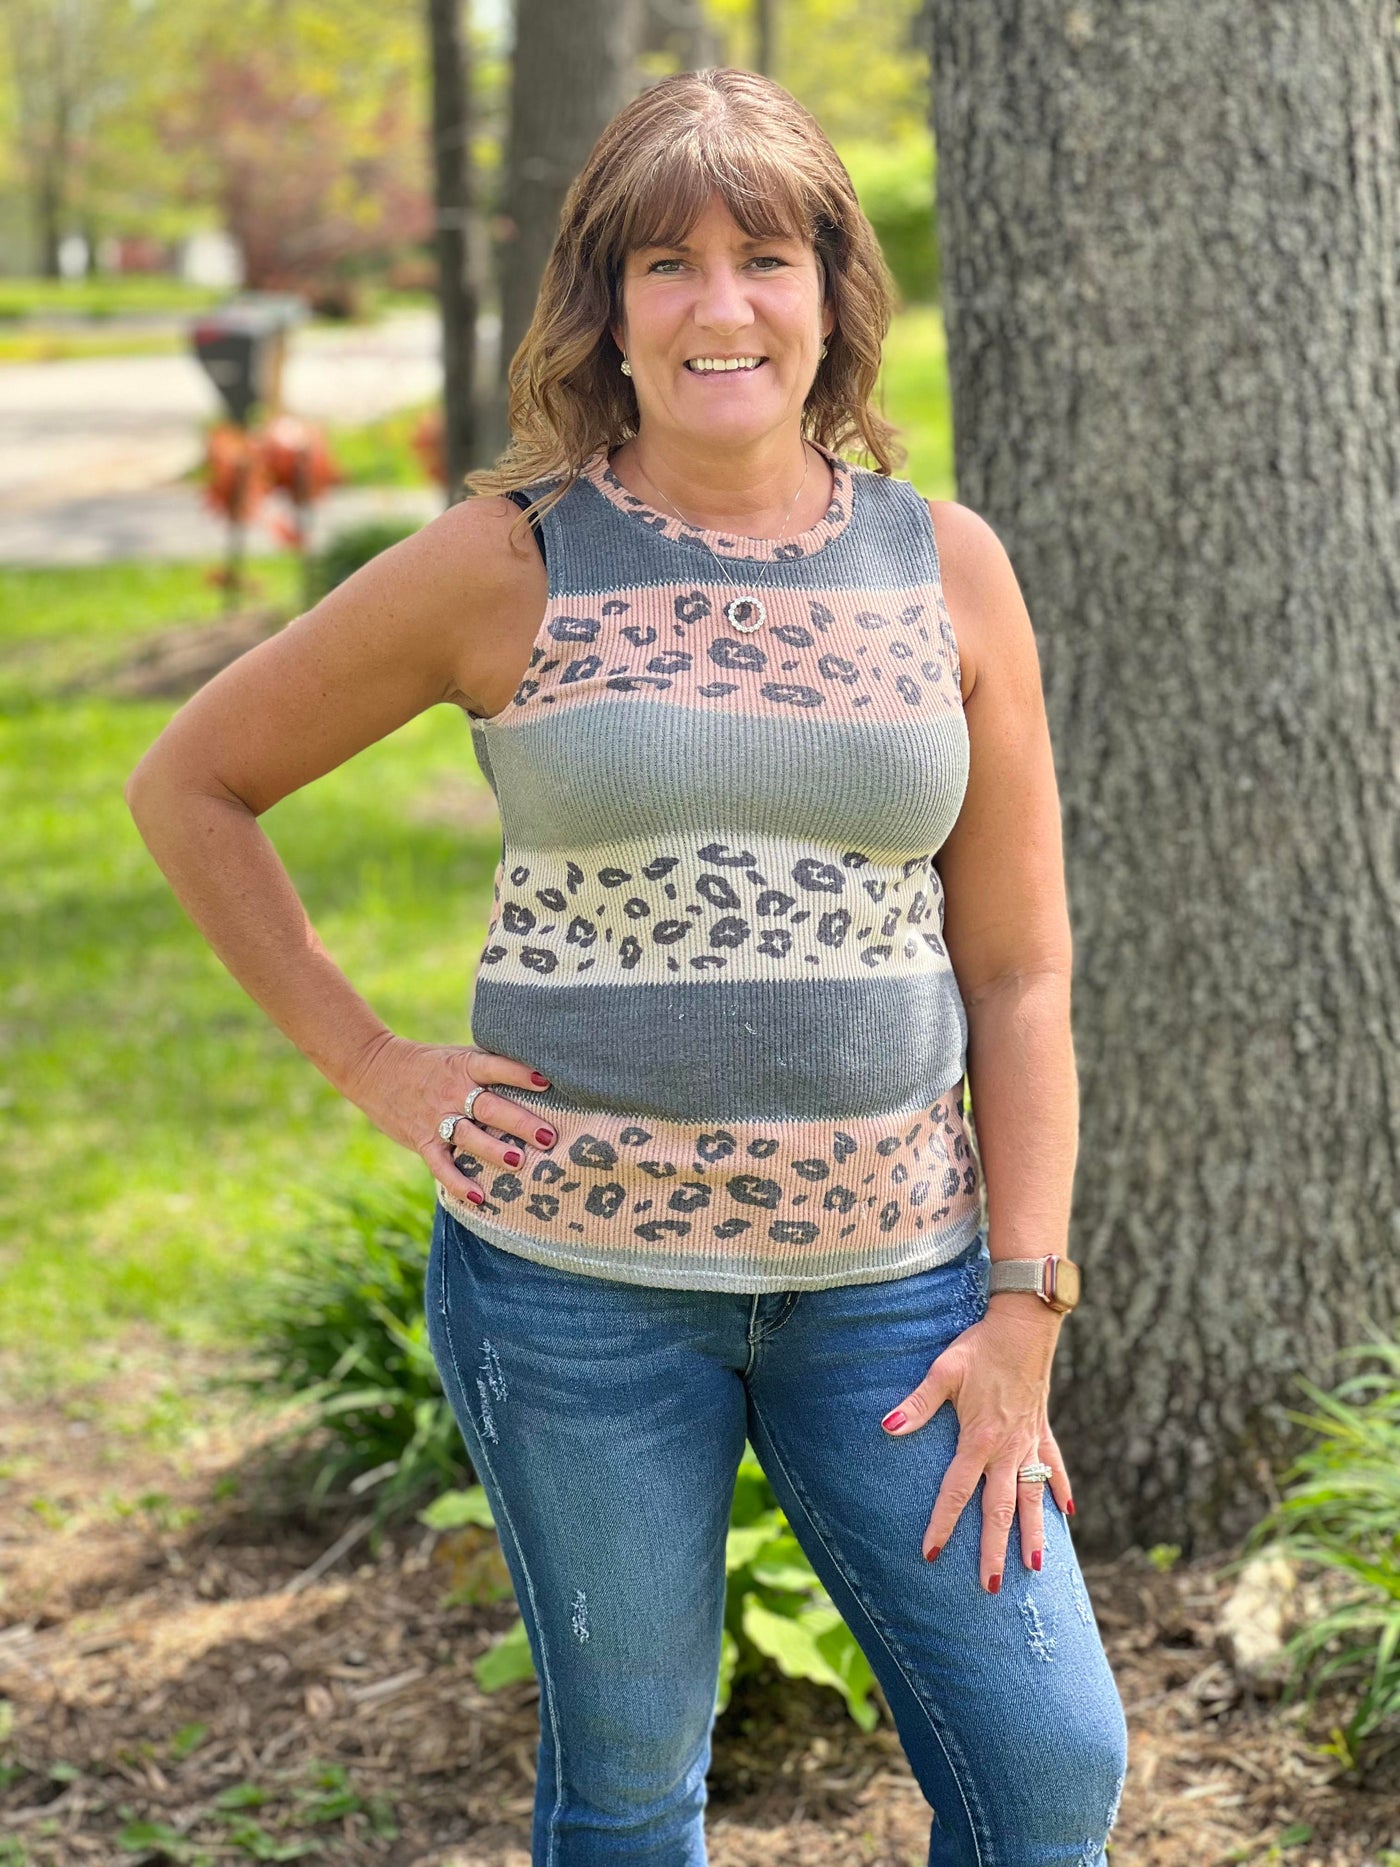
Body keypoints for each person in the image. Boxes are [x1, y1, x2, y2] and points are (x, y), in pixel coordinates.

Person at [125, 64, 1128, 1867]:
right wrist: (376, 1065)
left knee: (1050, 1761)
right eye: (667, 264)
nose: (721, 305)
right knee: (632, 1782)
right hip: (571, 1292)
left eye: (766, 256)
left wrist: (1023, 1304)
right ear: (608, 308)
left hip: (900, 1298)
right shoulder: (502, 561)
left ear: (832, 294)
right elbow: (194, 781)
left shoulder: (949, 571)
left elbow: (1023, 972)